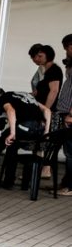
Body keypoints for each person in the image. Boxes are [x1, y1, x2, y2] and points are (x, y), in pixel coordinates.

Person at [0, 90, 51, 191]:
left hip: (26, 126)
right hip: (40, 128)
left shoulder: (3, 98)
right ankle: (8, 181)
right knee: (12, 145)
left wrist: (12, 133)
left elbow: (11, 111)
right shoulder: (25, 96)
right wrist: (46, 133)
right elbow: (47, 110)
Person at [57, 34, 72, 196]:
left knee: (70, 153)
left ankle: (70, 186)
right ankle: (65, 183)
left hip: (69, 113)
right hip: (65, 111)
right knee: (68, 151)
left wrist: (71, 115)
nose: (66, 51)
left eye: (67, 47)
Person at [30, 44, 63, 114]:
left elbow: (54, 91)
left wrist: (46, 110)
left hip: (46, 109)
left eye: (40, 56)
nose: (37, 59)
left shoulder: (54, 70)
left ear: (48, 55)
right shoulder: (46, 71)